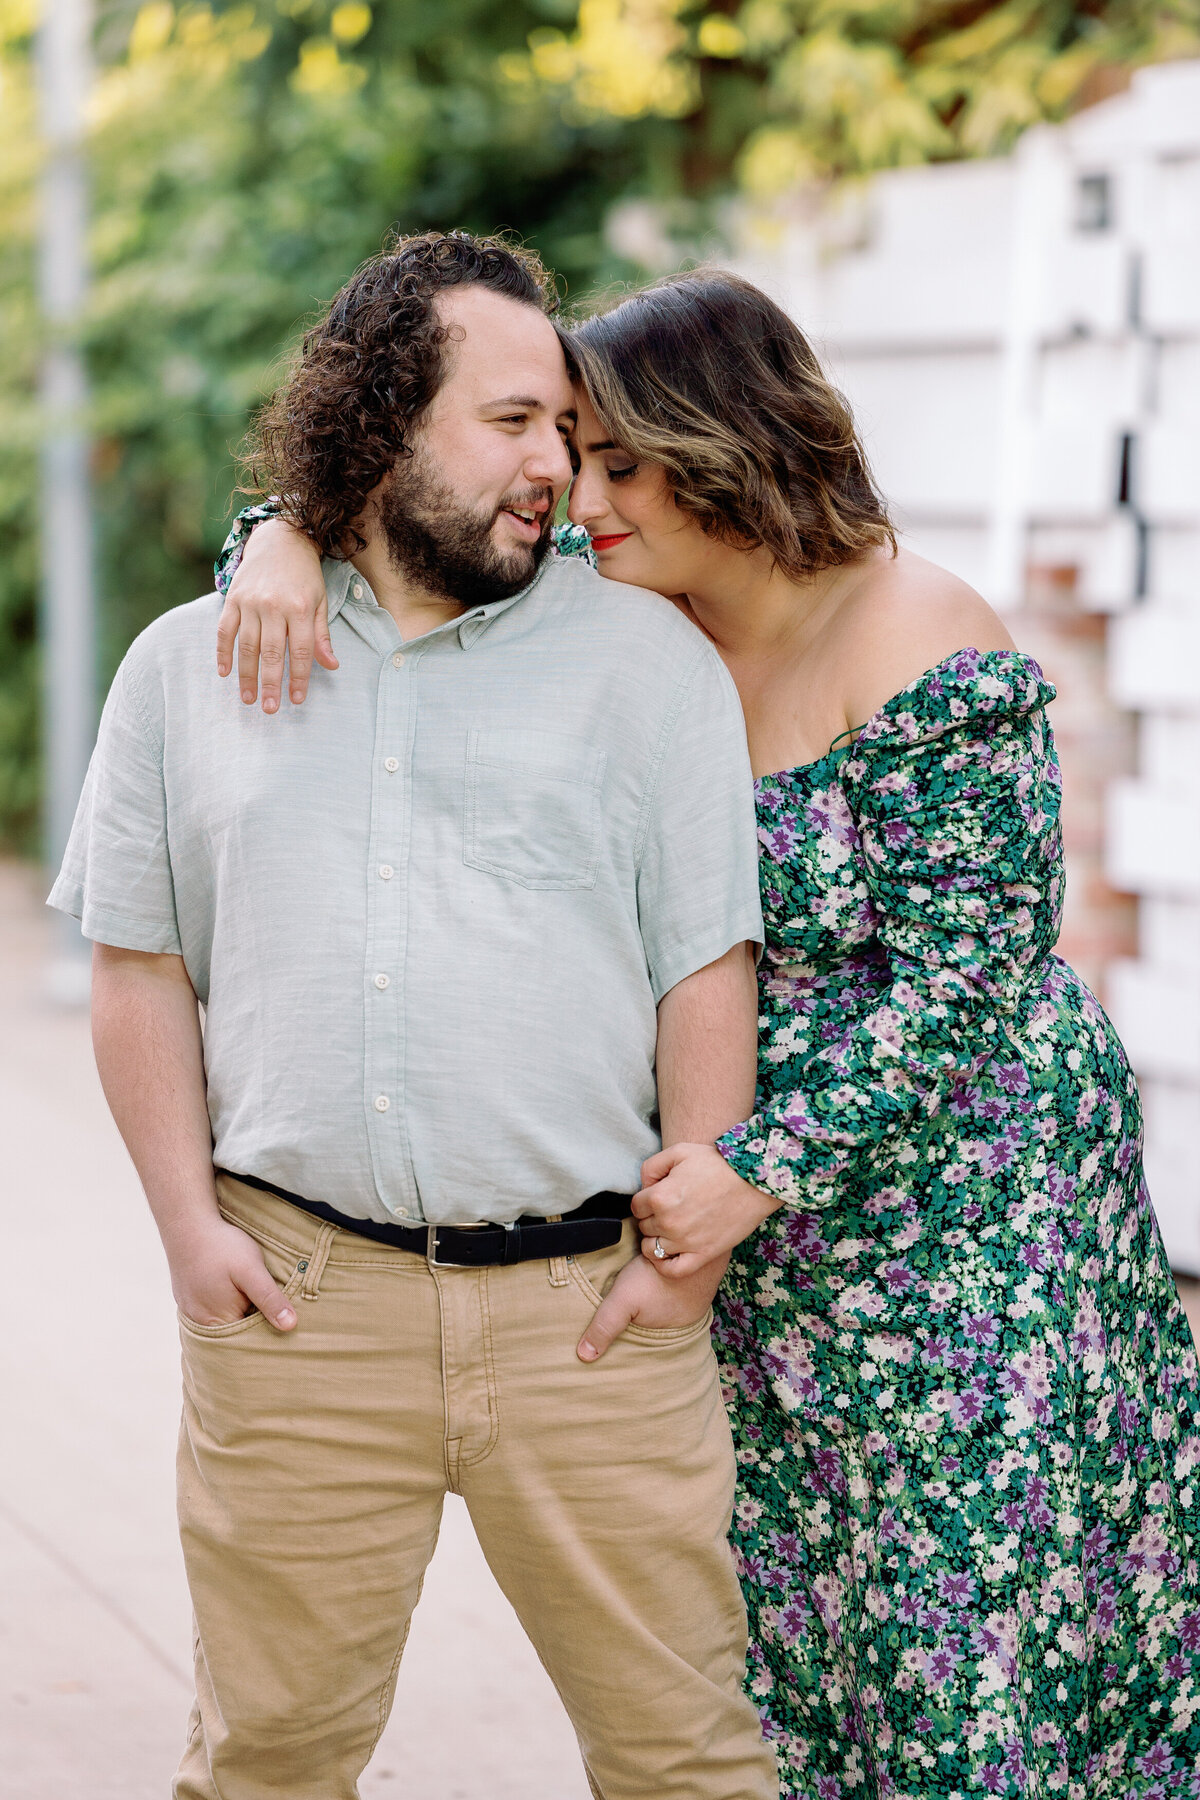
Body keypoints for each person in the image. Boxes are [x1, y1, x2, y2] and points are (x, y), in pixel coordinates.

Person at [221, 266, 1200, 1798]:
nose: (576, 494)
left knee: (973, 1633)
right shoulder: (623, 598)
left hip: (971, 1224)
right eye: (567, 455)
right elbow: (403, 543)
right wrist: (276, 535)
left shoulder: (924, 630)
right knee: (787, 1637)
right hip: (752, 1230)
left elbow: (975, 975)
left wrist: (755, 1162)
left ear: (724, 440)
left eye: (616, 460)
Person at [49, 232, 781, 1800]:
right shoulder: (187, 670)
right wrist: (189, 1232)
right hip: (302, 1314)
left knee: (689, 1765)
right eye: (514, 423)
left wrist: (687, 1257)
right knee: (269, 1762)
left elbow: (704, 969)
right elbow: (139, 968)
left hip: (592, 1321)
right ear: (383, 420)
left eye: (571, 435)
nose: (560, 473)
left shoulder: (652, 666)